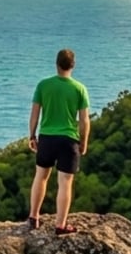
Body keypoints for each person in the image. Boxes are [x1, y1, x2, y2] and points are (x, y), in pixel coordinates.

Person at [27, 48, 90, 235]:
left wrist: (32, 135)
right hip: (68, 140)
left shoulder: (43, 85)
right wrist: (83, 142)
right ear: (73, 65)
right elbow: (84, 120)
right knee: (65, 182)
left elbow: (35, 113)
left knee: (41, 176)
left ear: (56, 64)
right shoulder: (79, 89)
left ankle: (33, 216)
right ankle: (60, 225)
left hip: (46, 137)